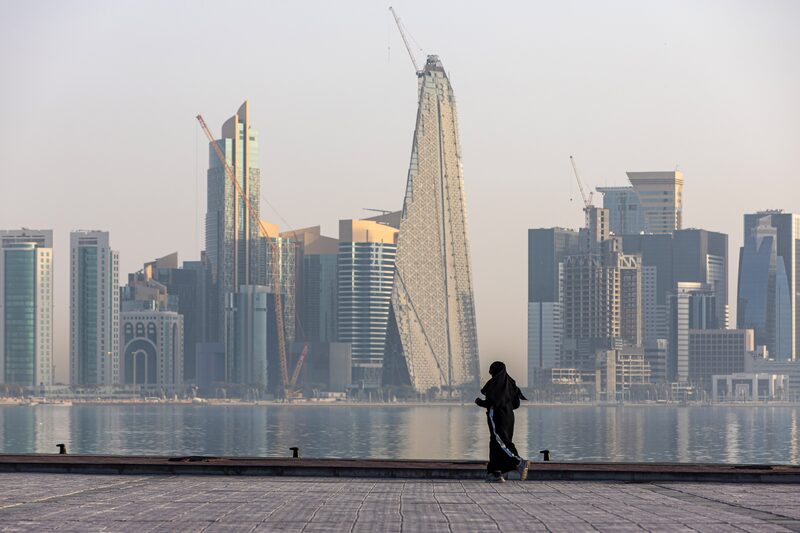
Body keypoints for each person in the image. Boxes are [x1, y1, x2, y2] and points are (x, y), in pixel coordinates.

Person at [475, 361, 529, 483]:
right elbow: (516, 404)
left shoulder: (493, 383)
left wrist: (479, 402)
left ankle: (518, 462)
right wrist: (506, 406)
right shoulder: (510, 383)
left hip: (496, 416)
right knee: (496, 443)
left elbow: (492, 403)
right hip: (509, 417)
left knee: (501, 441)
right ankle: (494, 473)